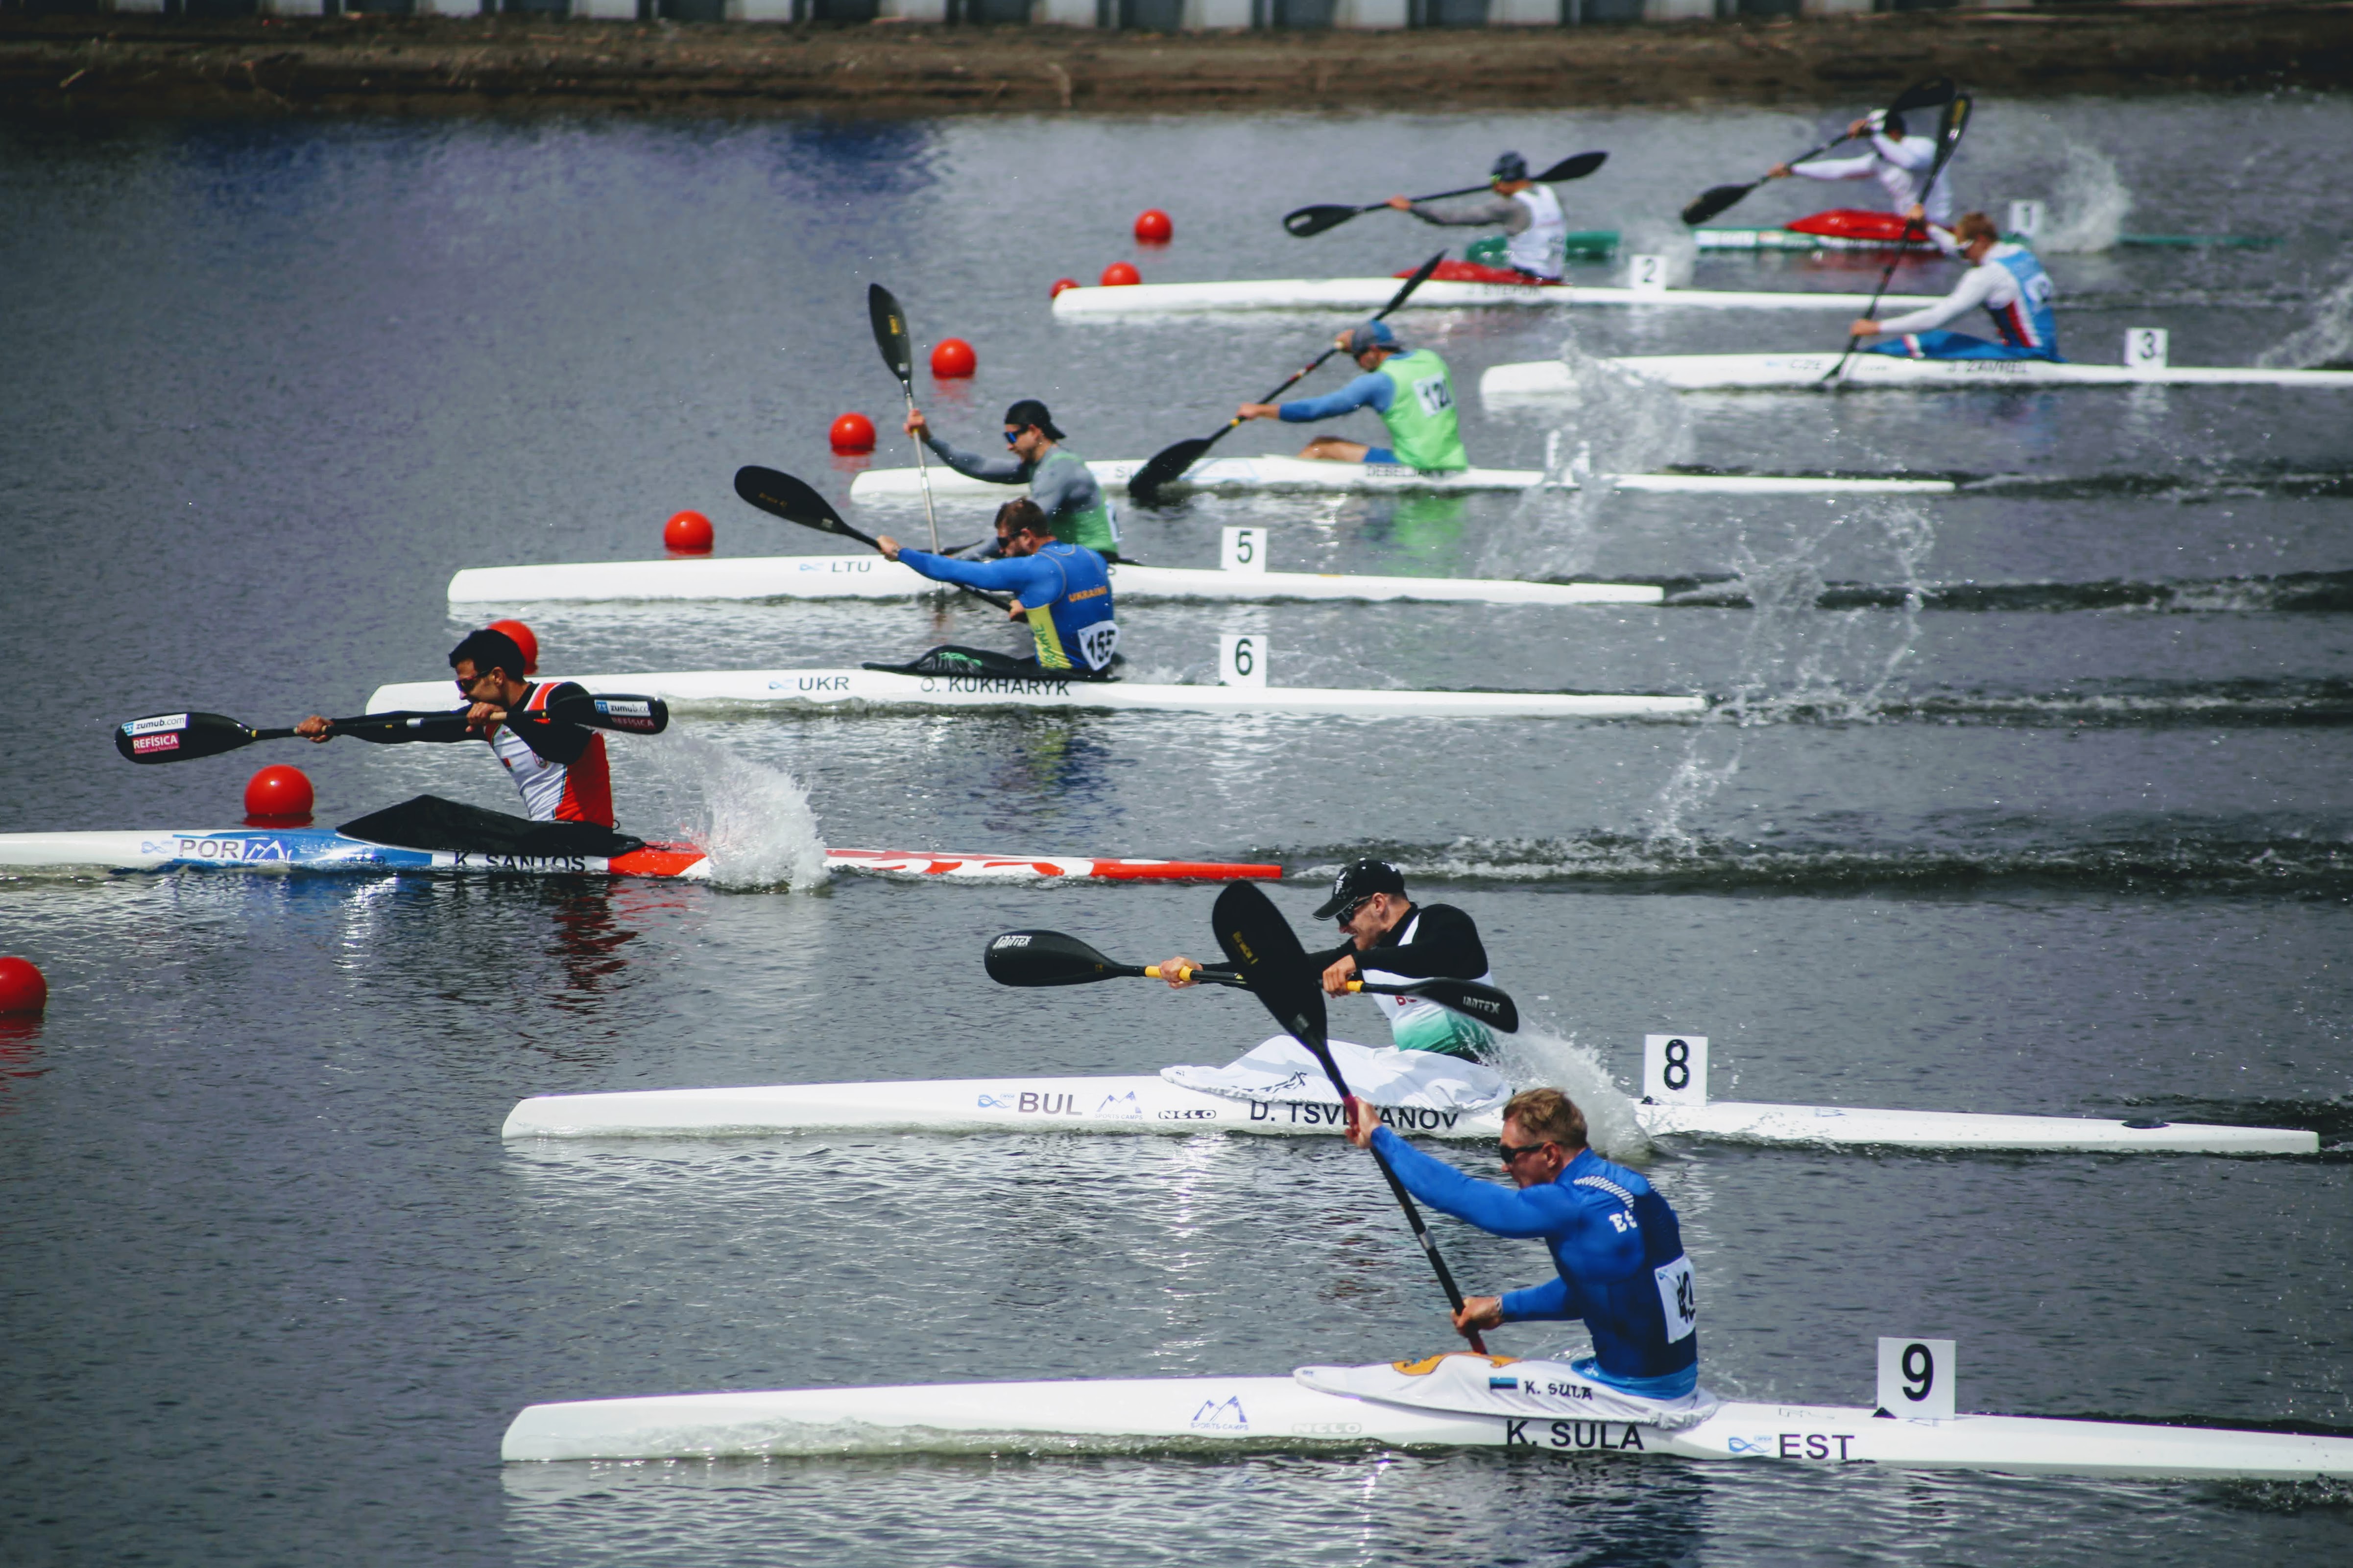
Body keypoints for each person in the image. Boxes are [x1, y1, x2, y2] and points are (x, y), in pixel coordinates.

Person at [1343, 1085, 1703, 1406]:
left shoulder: (1576, 1203)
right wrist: (1502, 1309)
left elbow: (1460, 1195)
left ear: (1550, 1154)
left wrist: (1380, 1136)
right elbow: (1603, 1291)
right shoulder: (1633, 1188)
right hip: (1676, 1385)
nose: (1504, 1167)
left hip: (1631, 1395)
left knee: (1454, 1371)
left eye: (1509, 1154)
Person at [1159, 858, 1496, 1059]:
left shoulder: (1443, 921)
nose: (1342, 927)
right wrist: (1203, 972)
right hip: (1422, 1071)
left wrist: (1359, 963)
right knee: (1284, 1050)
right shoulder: (1363, 952)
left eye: (1346, 914)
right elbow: (1283, 973)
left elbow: (1433, 957)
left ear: (1379, 903)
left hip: (1471, 1072)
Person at [293, 627, 620, 829]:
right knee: (427, 810)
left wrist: (507, 718)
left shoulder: (562, 697)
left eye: (467, 684)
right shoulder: (486, 721)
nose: (463, 694)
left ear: (497, 676)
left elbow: (565, 749)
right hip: (548, 841)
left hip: (586, 837)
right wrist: (337, 726)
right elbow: (410, 727)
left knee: (431, 814)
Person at [875, 498, 1119, 680]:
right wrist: (1035, 612)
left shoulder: (1034, 568)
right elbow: (1078, 608)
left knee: (946, 656)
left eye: (1004, 541)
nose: (1001, 550)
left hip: (1062, 675)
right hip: (1099, 668)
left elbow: (949, 570)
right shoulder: (1092, 557)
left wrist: (899, 552)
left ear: (1026, 536)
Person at [1236, 322, 1467, 474]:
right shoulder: (1430, 359)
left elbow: (1318, 410)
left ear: (1373, 351)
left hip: (1416, 467)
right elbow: (1377, 337)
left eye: (1357, 357)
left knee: (1320, 448)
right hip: (1454, 462)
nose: (1357, 364)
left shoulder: (1379, 382)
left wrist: (1261, 410)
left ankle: (1286, 496)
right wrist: (1356, 341)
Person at [904, 398, 1120, 559]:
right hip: (1070, 556)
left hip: (1094, 558)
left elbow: (1022, 528)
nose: (1009, 446)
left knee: (998, 547)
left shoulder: (1060, 469)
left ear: (1034, 431)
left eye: (1012, 437)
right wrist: (929, 439)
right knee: (977, 549)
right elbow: (979, 466)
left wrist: (958, 562)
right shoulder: (1039, 465)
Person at [1849, 208, 2062, 361]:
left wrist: (1877, 328)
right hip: (2045, 351)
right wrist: (1926, 226)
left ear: (1981, 240)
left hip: (2025, 356)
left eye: (1964, 250)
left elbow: (1935, 318)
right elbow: (1956, 247)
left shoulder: (1987, 276)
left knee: (1932, 340)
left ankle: (1864, 360)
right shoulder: (2020, 253)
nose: (1963, 256)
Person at [1385, 150, 1570, 284]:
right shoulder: (1552, 195)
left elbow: (1450, 218)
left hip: (1526, 280)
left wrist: (1411, 207)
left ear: (1505, 180)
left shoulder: (1509, 206)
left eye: (1495, 182)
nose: (1494, 188)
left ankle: (1395, 285)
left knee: (1445, 268)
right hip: (1553, 278)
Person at [1768, 109, 1953, 227]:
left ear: (1895, 133)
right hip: (1905, 225)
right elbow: (1839, 170)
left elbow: (1911, 163)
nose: (1874, 143)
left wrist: (1873, 135)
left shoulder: (1924, 147)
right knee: (1839, 217)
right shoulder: (1880, 159)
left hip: (1934, 224)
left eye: (1879, 137)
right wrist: (1794, 169)